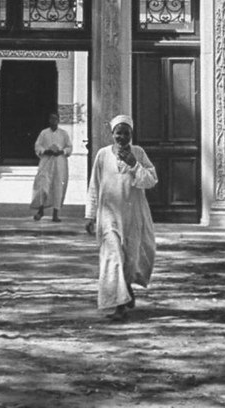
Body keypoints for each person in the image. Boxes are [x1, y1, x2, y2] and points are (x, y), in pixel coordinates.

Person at [84, 113, 157, 320]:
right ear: (112, 134)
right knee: (112, 258)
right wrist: (90, 215)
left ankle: (126, 290)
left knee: (129, 259)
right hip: (108, 217)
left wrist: (134, 164)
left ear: (131, 134)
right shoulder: (102, 155)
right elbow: (94, 186)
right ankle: (119, 305)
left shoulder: (139, 153)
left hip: (133, 216)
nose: (122, 137)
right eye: (118, 133)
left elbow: (150, 181)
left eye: (126, 133)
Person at [30, 111, 72, 222]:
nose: (53, 121)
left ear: (58, 120)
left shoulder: (63, 134)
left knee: (58, 187)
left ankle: (55, 214)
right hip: (46, 162)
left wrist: (61, 151)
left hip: (59, 163)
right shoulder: (44, 133)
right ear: (49, 120)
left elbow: (69, 147)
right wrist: (45, 151)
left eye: (55, 119)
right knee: (43, 186)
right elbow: (37, 146)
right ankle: (41, 210)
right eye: (51, 119)